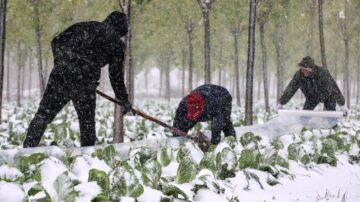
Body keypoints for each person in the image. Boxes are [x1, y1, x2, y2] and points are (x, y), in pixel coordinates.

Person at [23, 11, 132, 148]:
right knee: (87, 126)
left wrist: (63, 63)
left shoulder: (84, 27)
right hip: (82, 85)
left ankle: (27, 148)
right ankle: (87, 158)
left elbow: (56, 42)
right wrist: (124, 99)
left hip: (62, 78)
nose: (116, 37)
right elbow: (115, 75)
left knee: (43, 115)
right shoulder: (116, 44)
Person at [278, 56, 348, 115]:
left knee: (331, 117)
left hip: (328, 96)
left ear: (311, 69)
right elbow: (291, 89)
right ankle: (305, 129)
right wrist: (282, 102)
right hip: (311, 97)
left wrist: (342, 104)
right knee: (305, 116)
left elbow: (333, 88)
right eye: (303, 70)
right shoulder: (299, 76)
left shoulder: (322, 73)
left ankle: (334, 129)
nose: (304, 72)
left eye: (307, 70)